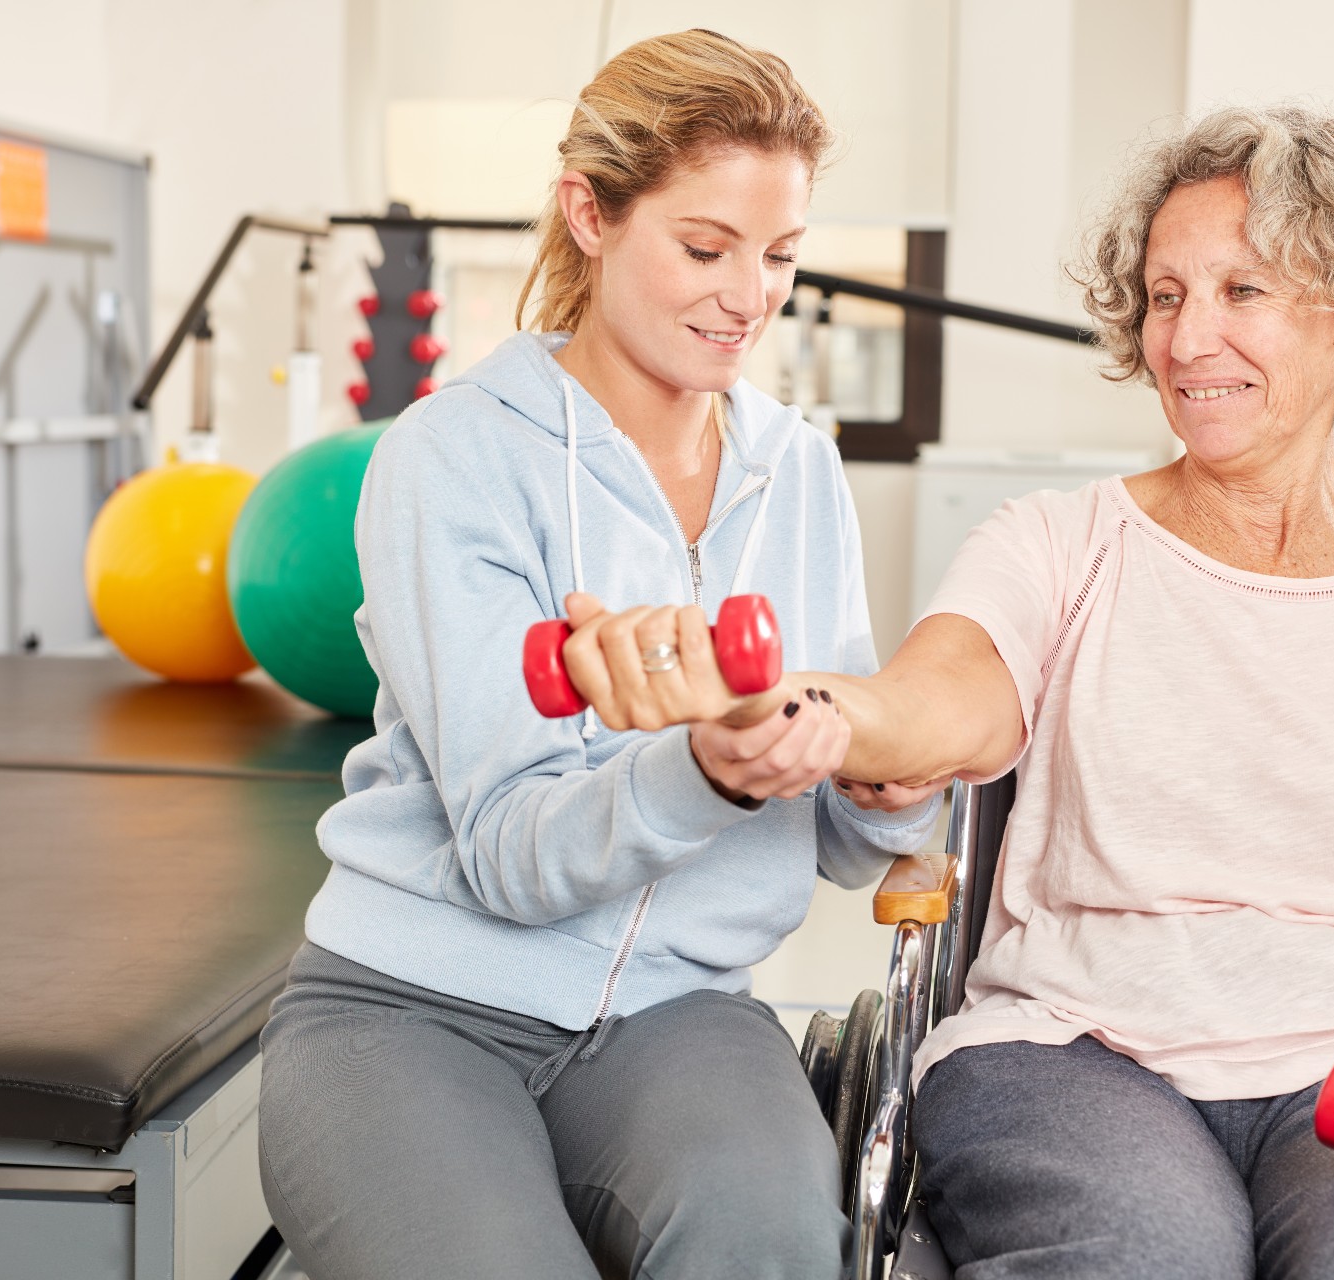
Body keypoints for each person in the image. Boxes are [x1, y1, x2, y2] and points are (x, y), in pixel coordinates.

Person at [561, 104, 1334, 1278]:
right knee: (1142, 1258)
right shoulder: (1058, 543)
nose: (1188, 340)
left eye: (1242, 292)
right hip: (1071, 1049)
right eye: (1163, 295)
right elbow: (937, 703)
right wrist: (779, 700)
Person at [256, 29, 939, 1280]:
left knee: (774, 1246)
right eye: (705, 247)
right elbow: (514, 854)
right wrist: (710, 769)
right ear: (589, 213)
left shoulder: (801, 472)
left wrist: (888, 780)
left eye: (780, 255)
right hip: (407, 1009)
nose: (750, 296)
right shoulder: (452, 457)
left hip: (680, 1015)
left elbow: (844, 846)